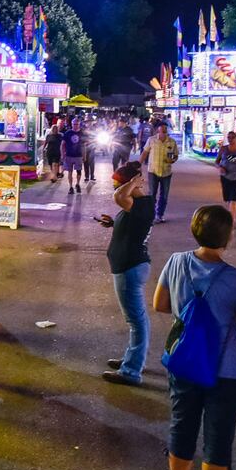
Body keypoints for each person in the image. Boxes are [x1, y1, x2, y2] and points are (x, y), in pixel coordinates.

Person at [153, 206, 236, 470]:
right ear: (227, 237)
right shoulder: (235, 278)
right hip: (225, 371)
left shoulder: (176, 262)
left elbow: (160, 304)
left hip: (185, 363)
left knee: (182, 425)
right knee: (218, 436)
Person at [96, 161, 155, 386]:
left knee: (136, 321)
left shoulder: (142, 203)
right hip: (129, 266)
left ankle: (131, 371)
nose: (114, 188)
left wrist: (132, 182)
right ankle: (134, 359)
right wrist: (113, 224)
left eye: (117, 184)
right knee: (138, 321)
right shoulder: (137, 205)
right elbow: (130, 220)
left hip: (130, 267)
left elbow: (119, 197)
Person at [140, 119, 180, 223]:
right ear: (158, 130)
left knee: (164, 195)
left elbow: (175, 155)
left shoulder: (172, 142)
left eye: (165, 129)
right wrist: (138, 165)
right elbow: (145, 153)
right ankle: (151, 215)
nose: (163, 130)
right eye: (162, 129)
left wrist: (172, 160)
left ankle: (160, 215)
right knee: (152, 194)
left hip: (166, 172)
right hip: (153, 171)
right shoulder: (151, 140)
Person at [62, 120, 85, 194]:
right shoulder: (68, 133)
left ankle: (78, 184)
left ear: (79, 125)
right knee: (70, 172)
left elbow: (84, 145)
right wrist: (63, 154)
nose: (75, 126)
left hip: (78, 155)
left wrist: (84, 155)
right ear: (72, 124)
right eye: (74, 124)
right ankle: (70, 187)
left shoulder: (82, 133)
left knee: (79, 171)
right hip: (69, 155)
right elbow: (62, 144)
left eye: (77, 124)